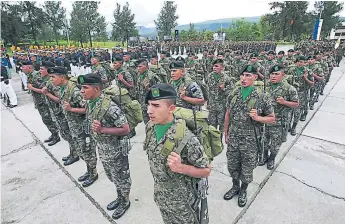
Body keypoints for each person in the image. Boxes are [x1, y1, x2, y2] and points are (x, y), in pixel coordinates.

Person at [144, 83, 211, 224]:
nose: (149, 111)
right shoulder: (150, 127)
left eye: (156, 106)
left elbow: (206, 170)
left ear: (171, 109)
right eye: (149, 105)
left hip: (183, 204)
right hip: (161, 196)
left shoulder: (186, 138)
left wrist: (182, 168)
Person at [78, 73, 132, 219]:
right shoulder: (91, 103)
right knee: (111, 175)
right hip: (103, 148)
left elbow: (126, 128)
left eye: (85, 87)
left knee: (121, 177)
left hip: (116, 150)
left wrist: (103, 130)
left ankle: (125, 201)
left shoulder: (110, 107)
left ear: (96, 89)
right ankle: (119, 197)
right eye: (81, 87)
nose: (81, 90)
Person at [223, 64, 275, 207]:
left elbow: (271, 118)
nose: (244, 78)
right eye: (242, 75)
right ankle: (235, 186)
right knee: (232, 164)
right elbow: (228, 114)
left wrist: (258, 118)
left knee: (247, 168)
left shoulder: (262, 97)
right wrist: (226, 133)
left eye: (248, 75)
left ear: (255, 77)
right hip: (234, 137)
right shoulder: (234, 93)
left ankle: (243, 190)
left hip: (251, 140)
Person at [49, 66, 98, 187]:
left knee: (87, 151)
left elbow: (88, 108)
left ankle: (93, 173)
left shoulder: (74, 91)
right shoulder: (62, 88)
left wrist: (71, 109)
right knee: (82, 150)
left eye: (53, 77)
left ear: (62, 77)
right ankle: (89, 171)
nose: (51, 79)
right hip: (75, 126)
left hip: (83, 127)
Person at [263, 64, 299, 169]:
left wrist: (284, 102)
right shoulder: (266, 85)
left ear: (283, 75)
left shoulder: (289, 88)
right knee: (264, 141)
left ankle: (271, 158)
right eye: (272, 74)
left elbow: (296, 104)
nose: (273, 76)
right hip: (265, 120)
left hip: (279, 122)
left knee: (275, 144)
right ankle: (264, 156)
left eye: (276, 74)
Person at [24, 60, 60, 145]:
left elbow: (43, 90)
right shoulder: (36, 76)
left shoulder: (40, 77)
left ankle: (56, 136)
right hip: (41, 102)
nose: (40, 71)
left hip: (45, 102)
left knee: (48, 119)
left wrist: (31, 88)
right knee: (46, 120)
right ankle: (53, 134)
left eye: (42, 69)